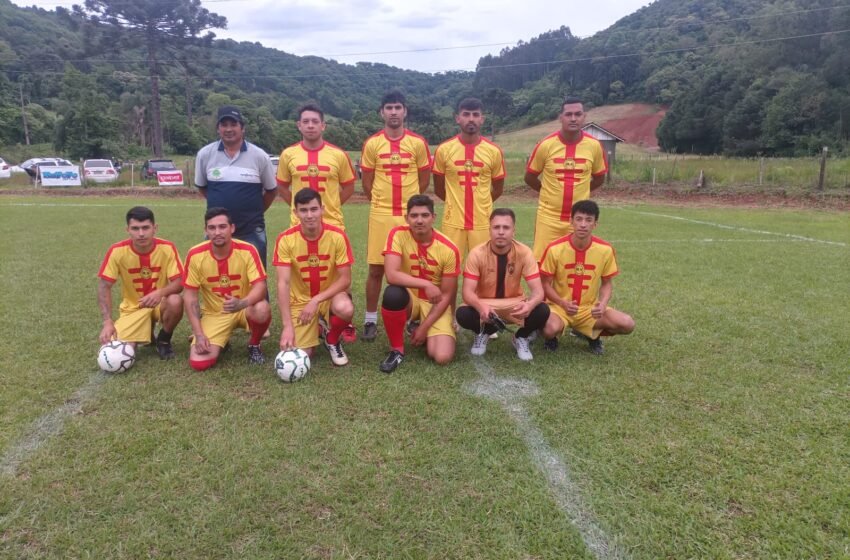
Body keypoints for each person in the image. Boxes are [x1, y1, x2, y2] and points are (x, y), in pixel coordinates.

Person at [276, 103, 358, 343]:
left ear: (323, 125)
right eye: (306, 121)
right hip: (299, 225)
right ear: (298, 125)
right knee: (301, 272)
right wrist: (302, 211)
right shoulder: (288, 154)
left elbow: (349, 187)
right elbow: (282, 186)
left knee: (339, 273)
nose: (310, 125)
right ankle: (304, 315)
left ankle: (343, 321)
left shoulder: (338, 154)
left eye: (315, 121)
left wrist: (327, 209)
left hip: (333, 223)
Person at [360, 90, 431, 342]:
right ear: (382, 112)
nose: (393, 112)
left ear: (405, 111)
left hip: (408, 216)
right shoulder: (372, 143)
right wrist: (380, 201)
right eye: (388, 107)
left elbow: (424, 179)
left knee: (411, 267)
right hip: (380, 214)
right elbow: (366, 181)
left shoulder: (418, 143)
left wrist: (410, 208)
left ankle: (413, 317)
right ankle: (370, 319)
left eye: (397, 107)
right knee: (377, 269)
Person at [540, 200, 634, 355]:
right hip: (559, 308)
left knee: (627, 324)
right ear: (571, 222)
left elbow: (606, 283)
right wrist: (562, 302)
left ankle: (591, 333)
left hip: (589, 310)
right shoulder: (554, 248)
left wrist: (602, 304)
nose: (583, 224)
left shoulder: (606, 250)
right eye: (579, 219)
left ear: (595, 224)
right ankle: (552, 338)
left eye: (588, 220)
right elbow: (545, 284)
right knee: (549, 329)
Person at [183, 207, 272, 370]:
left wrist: (243, 303)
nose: (217, 232)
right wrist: (199, 334)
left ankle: (254, 345)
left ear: (232, 228)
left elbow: (260, 286)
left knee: (262, 308)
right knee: (200, 363)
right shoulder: (195, 254)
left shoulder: (248, 250)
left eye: (222, 227)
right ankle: (221, 339)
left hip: (244, 308)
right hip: (215, 313)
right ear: (206, 230)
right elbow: (190, 297)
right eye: (212, 228)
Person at [379, 195, 459, 373]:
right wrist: (426, 284)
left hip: (436, 303)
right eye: (414, 216)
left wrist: (424, 328)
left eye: (424, 215)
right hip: (411, 299)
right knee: (393, 294)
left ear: (433, 217)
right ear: (407, 218)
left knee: (441, 357)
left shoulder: (449, 248)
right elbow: (391, 275)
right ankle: (396, 350)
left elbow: (446, 294)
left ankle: (422, 326)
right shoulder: (397, 234)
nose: (419, 220)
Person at [274, 189, 355, 366]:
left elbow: (345, 280)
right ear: (295, 213)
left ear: (322, 209)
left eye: (314, 209)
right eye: (303, 210)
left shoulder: (337, 236)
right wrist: (287, 326)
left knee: (346, 308)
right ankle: (317, 328)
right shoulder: (285, 239)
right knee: (303, 354)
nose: (309, 215)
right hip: (300, 301)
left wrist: (316, 300)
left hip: (329, 297)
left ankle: (332, 339)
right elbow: (283, 283)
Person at [456, 208, 549, 361]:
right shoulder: (477, 253)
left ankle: (520, 337)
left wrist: (529, 305)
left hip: (514, 305)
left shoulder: (524, 252)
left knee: (543, 310)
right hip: (486, 305)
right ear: (489, 230)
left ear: (513, 230)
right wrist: (481, 307)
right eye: (496, 227)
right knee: (463, 314)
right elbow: (467, 292)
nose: (501, 232)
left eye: (506, 227)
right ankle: (484, 332)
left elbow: (538, 292)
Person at [194, 105, 278, 268]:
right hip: (217, 231)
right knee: (217, 278)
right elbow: (204, 188)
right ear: (218, 128)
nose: (229, 129)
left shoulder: (259, 156)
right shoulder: (205, 154)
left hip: (251, 230)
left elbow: (271, 190)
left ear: (242, 128)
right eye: (224, 125)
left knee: (256, 281)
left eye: (233, 124)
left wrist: (254, 211)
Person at [525, 97, 608, 259]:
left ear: (584, 117)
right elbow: (529, 177)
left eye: (578, 114)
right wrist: (549, 192)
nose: (573, 118)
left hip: (578, 219)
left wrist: (582, 191)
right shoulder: (546, 144)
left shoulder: (594, 145)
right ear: (560, 117)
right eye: (568, 114)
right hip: (549, 217)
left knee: (572, 265)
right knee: (542, 264)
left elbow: (599, 178)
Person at [97, 206, 184, 360]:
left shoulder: (167, 248)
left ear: (154, 228)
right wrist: (107, 322)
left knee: (175, 300)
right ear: (127, 230)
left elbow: (180, 282)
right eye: (135, 228)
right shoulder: (117, 251)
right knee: (117, 353)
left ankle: (163, 340)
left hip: (160, 304)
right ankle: (146, 333)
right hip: (132, 308)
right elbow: (104, 287)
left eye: (145, 228)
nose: (141, 233)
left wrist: (160, 293)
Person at [433, 97, 506, 256]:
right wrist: (454, 203)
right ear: (458, 118)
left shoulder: (493, 151)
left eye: (475, 114)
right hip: (452, 222)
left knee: (484, 269)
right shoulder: (444, 150)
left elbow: (498, 189)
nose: (471, 119)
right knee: (449, 269)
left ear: (482, 119)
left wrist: (482, 204)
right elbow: (439, 188)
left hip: (482, 222)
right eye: (466, 114)